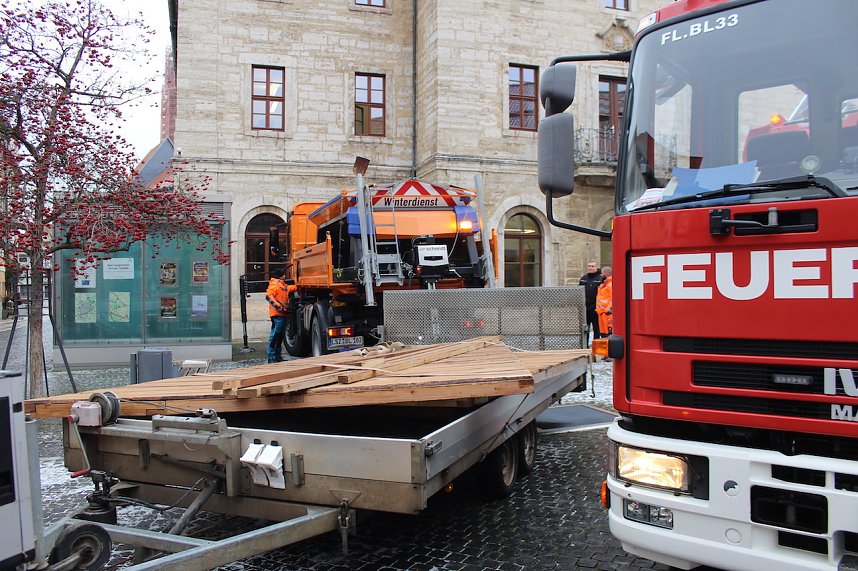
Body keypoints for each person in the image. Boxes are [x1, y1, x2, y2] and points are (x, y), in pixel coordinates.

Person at [265, 269, 297, 363]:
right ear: (281, 276)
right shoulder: (275, 285)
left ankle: (277, 356)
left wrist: (298, 286)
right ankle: (271, 357)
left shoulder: (282, 285)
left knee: (278, 336)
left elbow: (289, 288)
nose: (285, 276)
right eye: (284, 275)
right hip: (277, 315)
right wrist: (279, 307)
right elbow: (268, 296)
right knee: (275, 336)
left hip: (281, 314)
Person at [579, 260, 604, 344]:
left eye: (592, 266)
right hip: (586, 308)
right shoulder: (583, 279)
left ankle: (596, 344)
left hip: (596, 308)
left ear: (597, 267)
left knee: (597, 328)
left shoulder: (600, 278)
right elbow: (579, 291)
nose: (590, 268)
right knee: (586, 328)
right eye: (589, 266)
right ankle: (585, 344)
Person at [595, 266, 613, 340]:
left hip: (608, 314)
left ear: (605, 274)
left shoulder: (610, 285)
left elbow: (613, 299)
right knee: (603, 334)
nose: (600, 275)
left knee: (609, 334)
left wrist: (608, 309)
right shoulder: (603, 285)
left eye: (601, 273)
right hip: (601, 314)